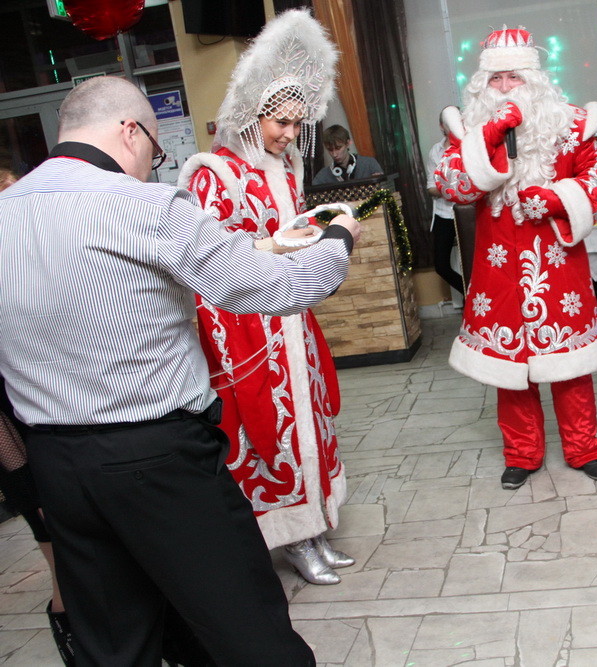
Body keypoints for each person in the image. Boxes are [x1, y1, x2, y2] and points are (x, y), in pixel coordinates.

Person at [0, 72, 359, 664]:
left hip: (56, 465)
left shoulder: (7, 209)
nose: (151, 162)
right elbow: (281, 287)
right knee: (246, 628)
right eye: (154, 147)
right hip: (156, 457)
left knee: (116, 641)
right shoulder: (145, 206)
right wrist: (339, 237)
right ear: (130, 130)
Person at [178, 10, 354, 586]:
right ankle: (290, 536)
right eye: (280, 122)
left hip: (290, 319)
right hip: (245, 327)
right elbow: (204, 254)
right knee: (268, 431)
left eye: (296, 124)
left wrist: (303, 236)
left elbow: (283, 232)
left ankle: (315, 527)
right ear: (251, 114)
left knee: (311, 421)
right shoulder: (214, 173)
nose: (286, 134)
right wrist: (275, 245)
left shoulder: (283, 169)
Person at [435, 26, 597, 490]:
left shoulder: (572, 124)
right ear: (482, 84)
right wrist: (490, 139)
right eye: (495, 79)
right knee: (509, 371)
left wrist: (560, 199)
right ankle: (522, 454)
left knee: (570, 365)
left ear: (534, 79)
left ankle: (584, 448)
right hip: (498, 273)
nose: (503, 87)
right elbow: (453, 185)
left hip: (558, 266)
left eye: (513, 77)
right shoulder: (470, 133)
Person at [425, 111, 465, 300]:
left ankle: (478, 304)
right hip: (443, 213)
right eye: (447, 122)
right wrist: (450, 189)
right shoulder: (436, 151)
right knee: (441, 265)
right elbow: (431, 187)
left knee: (475, 261)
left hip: (467, 213)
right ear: (442, 125)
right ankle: (469, 296)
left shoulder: (470, 146)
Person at [312, 124, 384, 184]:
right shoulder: (322, 177)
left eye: (338, 148)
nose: (334, 154)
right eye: (330, 150)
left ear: (348, 143)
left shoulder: (370, 164)